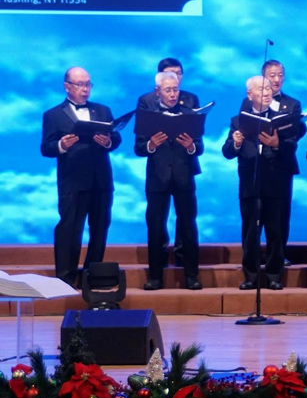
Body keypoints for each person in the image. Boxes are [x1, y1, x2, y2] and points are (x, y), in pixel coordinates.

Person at [41, 67, 122, 287]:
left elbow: (116, 137)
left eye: (88, 84)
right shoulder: (53, 115)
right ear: (67, 86)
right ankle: (65, 279)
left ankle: (91, 277)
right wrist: (62, 145)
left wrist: (109, 142)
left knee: (100, 229)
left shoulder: (103, 110)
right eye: (80, 84)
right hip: (72, 182)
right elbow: (46, 147)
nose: (85, 89)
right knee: (69, 229)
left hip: (101, 180)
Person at [224, 76, 299, 290]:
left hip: (276, 182)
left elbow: (291, 146)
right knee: (250, 232)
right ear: (250, 95)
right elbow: (227, 152)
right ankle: (251, 276)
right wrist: (236, 143)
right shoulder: (237, 121)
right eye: (261, 88)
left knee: (276, 231)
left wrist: (276, 143)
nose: (267, 92)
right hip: (250, 184)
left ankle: (274, 276)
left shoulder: (282, 118)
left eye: (268, 88)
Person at [135, 71, 204, 290]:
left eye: (175, 90)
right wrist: (151, 144)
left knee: (188, 227)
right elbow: (138, 148)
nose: (173, 94)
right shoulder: (149, 116)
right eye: (168, 90)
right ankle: (155, 277)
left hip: (184, 176)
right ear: (157, 92)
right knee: (156, 227)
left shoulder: (189, 114)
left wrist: (190, 146)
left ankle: (191, 276)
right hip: (158, 177)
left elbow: (199, 147)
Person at [240, 60, 304, 268]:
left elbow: (295, 133)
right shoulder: (248, 102)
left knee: (280, 215)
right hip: (256, 167)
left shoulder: (292, 104)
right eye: (272, 76)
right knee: (253, 217)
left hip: (281, 165)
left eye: (280, 75)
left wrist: (278, 142)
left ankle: (278, 256)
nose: (276, 80)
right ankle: (253, 261)